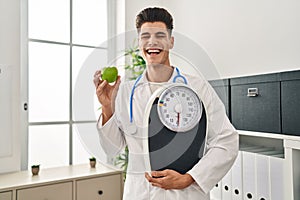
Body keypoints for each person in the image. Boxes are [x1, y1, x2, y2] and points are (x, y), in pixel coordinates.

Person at [93, 7, 238, 200]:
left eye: (160, 35)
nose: (152, 42)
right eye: (145, 36)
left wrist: (189, 178)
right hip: (140, 193)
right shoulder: (125, 91)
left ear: (171, 41)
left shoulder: (197, 87)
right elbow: (112, 149)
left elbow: (227, 141)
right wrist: (107, 107)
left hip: (185, 194)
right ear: (139, 43)